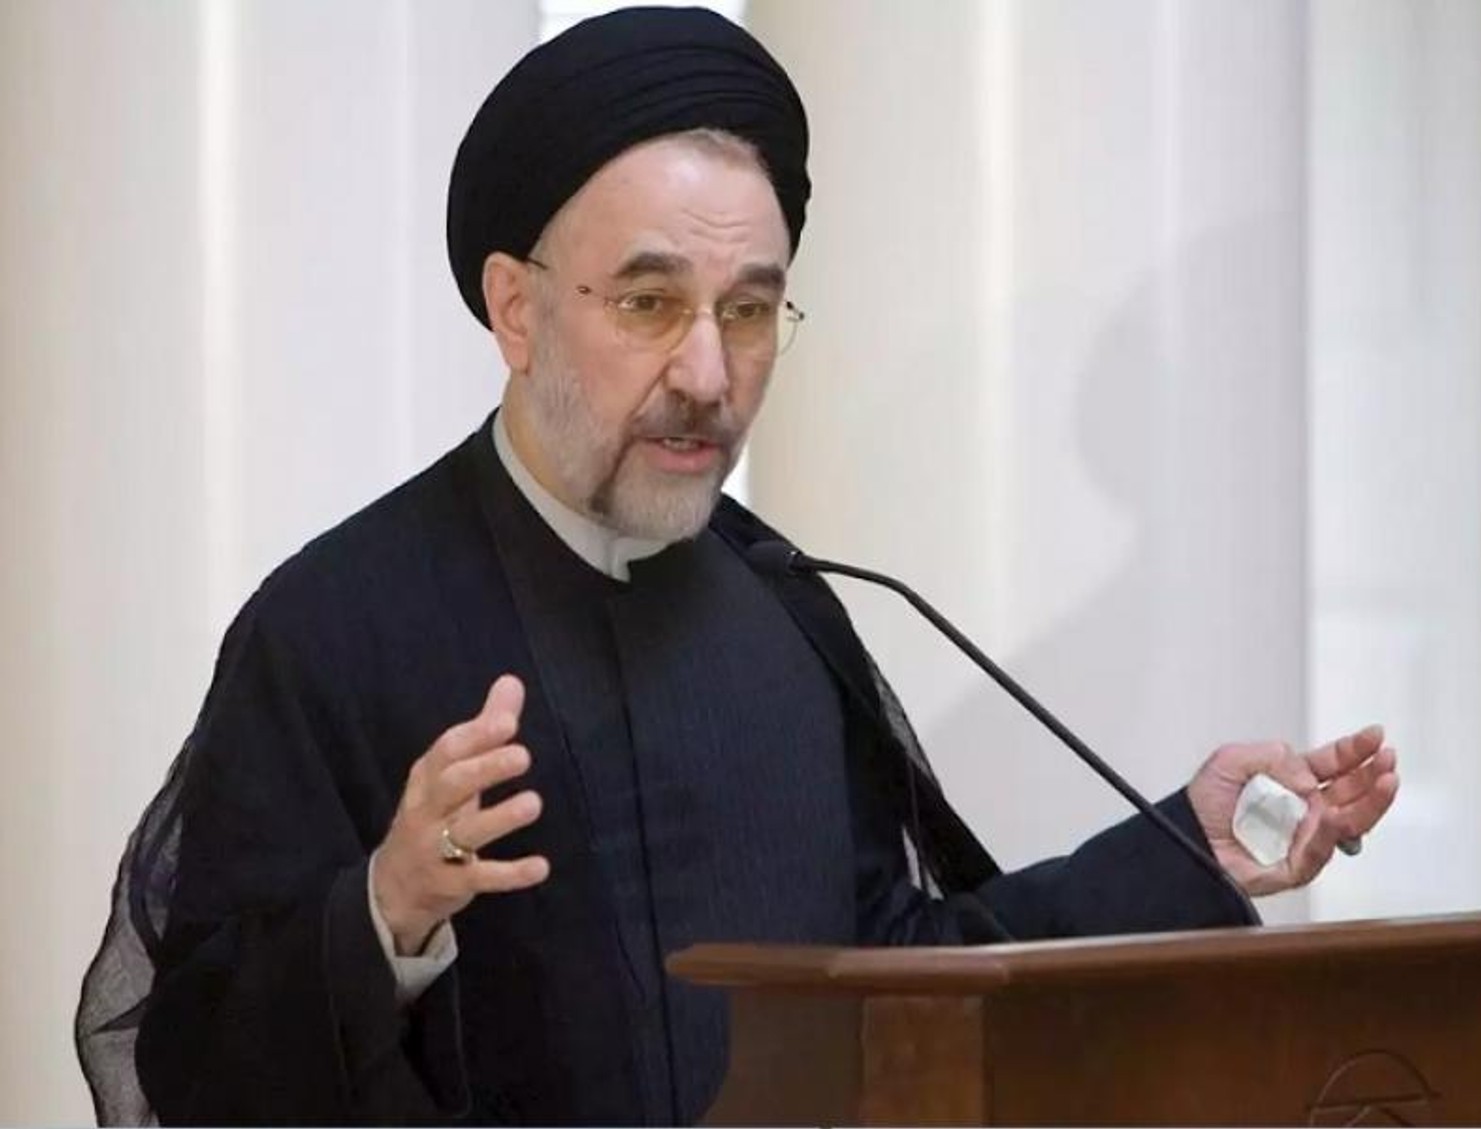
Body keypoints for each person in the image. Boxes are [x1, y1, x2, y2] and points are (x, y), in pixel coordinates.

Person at [75, 7, 1399, 1126]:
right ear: (516, 308)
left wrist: (1184, 849)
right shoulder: (339, 625)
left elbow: (896, 975)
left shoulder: (783, 612)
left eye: (750, 310)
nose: (708, 373)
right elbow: (184, 1057)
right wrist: (384, 914)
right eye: (649, 303)